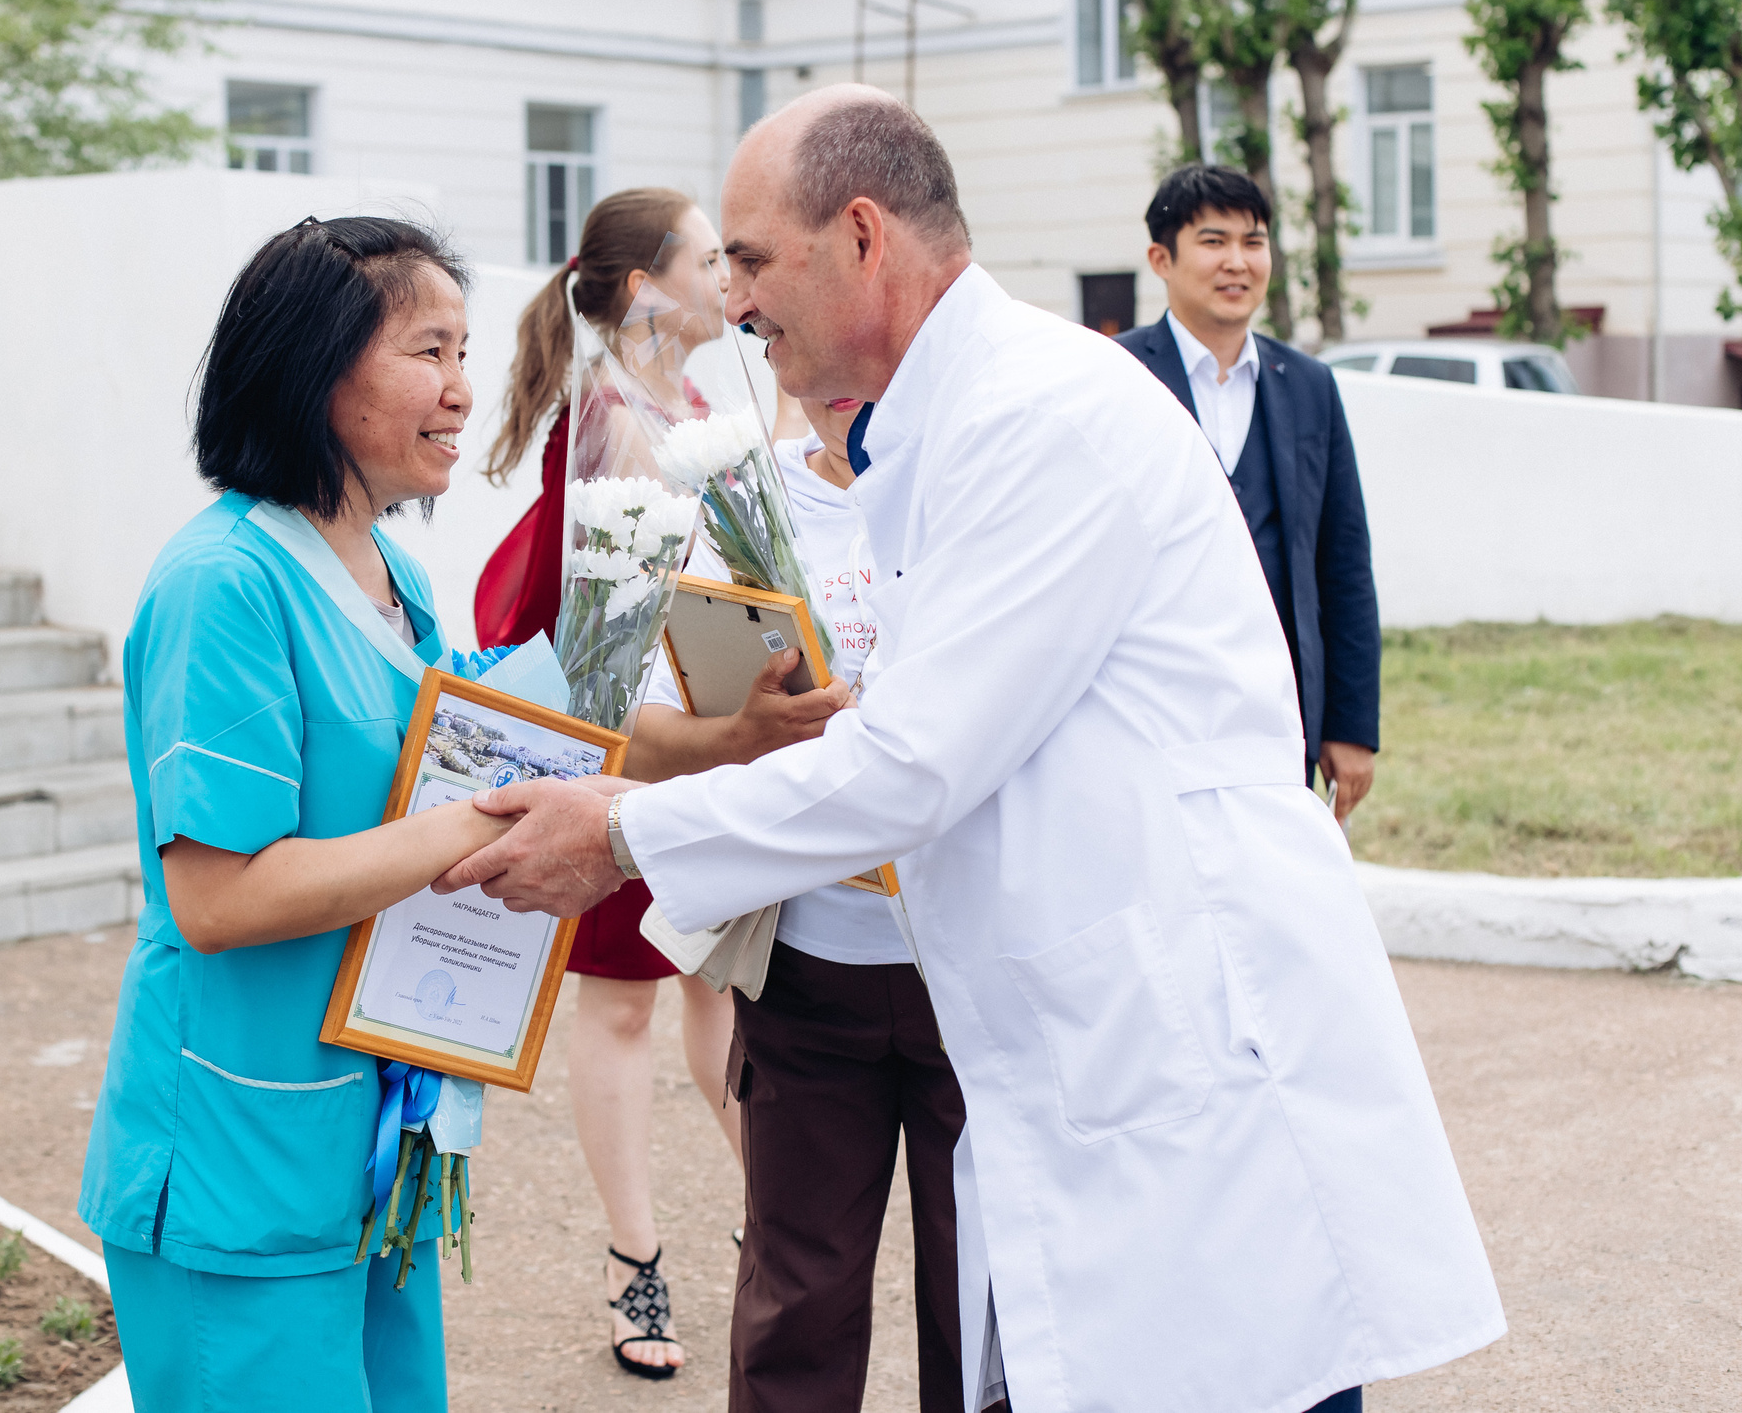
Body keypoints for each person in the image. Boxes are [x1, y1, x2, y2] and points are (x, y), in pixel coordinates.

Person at [441, 86, 1505, 1413]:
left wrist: (618, 830)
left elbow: (916, 759)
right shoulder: (942, 424)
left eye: (758, 261)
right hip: (1087, 1025)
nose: (742, 302)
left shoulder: (1037, 414)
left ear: (864, 237)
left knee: (1225, 1360)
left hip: (1177, 1033)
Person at [76, 216, 516, 1413]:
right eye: (430, 353)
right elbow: (219, 898)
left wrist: (714, 743)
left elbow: (475, 746)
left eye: (463, 353)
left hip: (366, 1153)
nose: (462, 393)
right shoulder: (224, 584)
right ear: (316, 372)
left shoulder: (391, 580)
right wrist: (489, 822)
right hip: (237, 1158)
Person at [475, 187, 843, 1378]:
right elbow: (601, 648)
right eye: (706, 261)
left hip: (712, 737)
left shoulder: (688, 404)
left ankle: (771, 1221)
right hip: (631, 750)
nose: (727, 281)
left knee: (718, 990)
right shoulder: (602, 424)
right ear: (643, 289)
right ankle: (637, 1272)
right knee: (626, 1002)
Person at [639, 391, 967, 1413]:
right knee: (797, 1303)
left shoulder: (978, 484)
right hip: (808, 970)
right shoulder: (740, 502)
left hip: (970, 968)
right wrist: (745, 736)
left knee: (991, 1301)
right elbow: (643, 731)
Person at [1120, 164, 1381, 820]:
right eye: (1213, 241)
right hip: (1153, 709)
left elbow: (1342, 562)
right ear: (1162, 258)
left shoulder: (1309, 386)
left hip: (1280, 711)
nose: (1238, 261)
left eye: (1254, 241)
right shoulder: (1117, 377)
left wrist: (1350, 727)